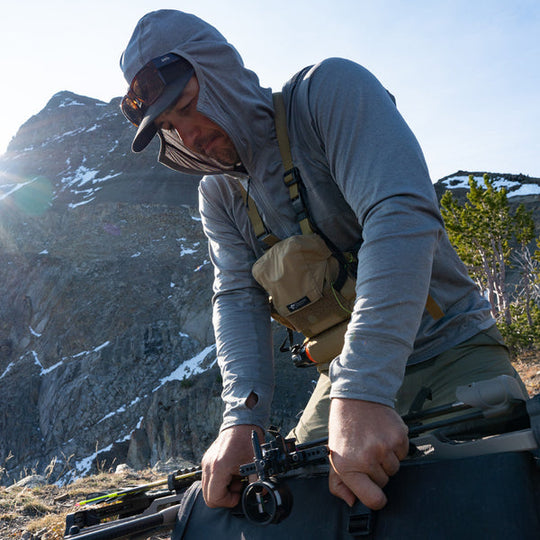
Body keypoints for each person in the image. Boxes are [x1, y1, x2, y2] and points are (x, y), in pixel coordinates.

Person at [119, 9, 527, 513]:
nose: (189, 133)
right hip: (342, 377)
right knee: (300, 509)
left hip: (450, 349)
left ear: (219, 70)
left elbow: (399, 214)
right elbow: (236, 298)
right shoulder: (219, 195)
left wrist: (365, 390)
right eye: (169, 125)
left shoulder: (328, 93)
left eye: (186, 103)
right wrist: (241, 419)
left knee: (497, 499)